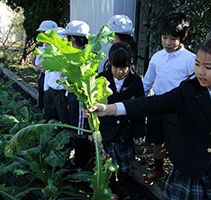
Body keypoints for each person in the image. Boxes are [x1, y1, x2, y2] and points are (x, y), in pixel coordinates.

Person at [85, 35, 211, 200]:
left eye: (208, 67)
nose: (200, 71)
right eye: (197, 64)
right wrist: (109, 109)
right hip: (189, 170)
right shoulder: (188, 91)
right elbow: (153, 103)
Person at [142, 12, 196, 184]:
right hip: (157, 104)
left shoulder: (191, 60)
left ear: (183, 36)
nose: (167, 42)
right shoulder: (157, 57)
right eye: (164, 37)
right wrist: (140, 104)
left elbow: (196, 88)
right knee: (156, 141)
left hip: (177, 110)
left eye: (173, 38)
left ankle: (178, 175)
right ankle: (158, 170)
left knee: (175, 144)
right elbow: (147, 82)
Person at [98, 42, 145, 197]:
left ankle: (124, 188)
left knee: (125, 165)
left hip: (126, 131)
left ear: (130, 65)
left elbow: (140, 109)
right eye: (115, 67)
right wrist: (93, 131)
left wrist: (139, 132)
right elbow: (91, 107)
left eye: (123, 67)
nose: (119, 71)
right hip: (107, 130)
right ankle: (111, 191)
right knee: (109, 163)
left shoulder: (136, 81)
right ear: (109, 63)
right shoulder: (101, 79)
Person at [62, 20, 94, 171]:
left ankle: (83, 163)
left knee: (81, 133)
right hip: (74, 97)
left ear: (74, 39)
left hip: (81, 98)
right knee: (77, 130)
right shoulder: (76, 55)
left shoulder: (84, 56)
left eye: (69, 39)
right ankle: (81, 161)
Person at [33, 20, 58, 112]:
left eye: (43, 32)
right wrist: (42, 67)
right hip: (44, 76)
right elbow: (36, 67)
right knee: (43, 95)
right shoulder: (40, 48)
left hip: (57, 79)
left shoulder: (60, 46)